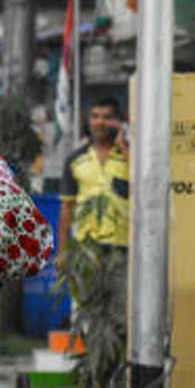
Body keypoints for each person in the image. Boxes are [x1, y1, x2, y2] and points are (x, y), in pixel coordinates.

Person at [57, 96, 129, 264]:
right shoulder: (75, 160)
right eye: (95, 116)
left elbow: (146, 184)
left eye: (107, 117)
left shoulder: (130, 156)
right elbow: (67, 208)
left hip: (123, 250)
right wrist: (62, 254)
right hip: (86, 249)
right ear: (88, 121)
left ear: (118, 122)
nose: (100, 122)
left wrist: (124, 145)